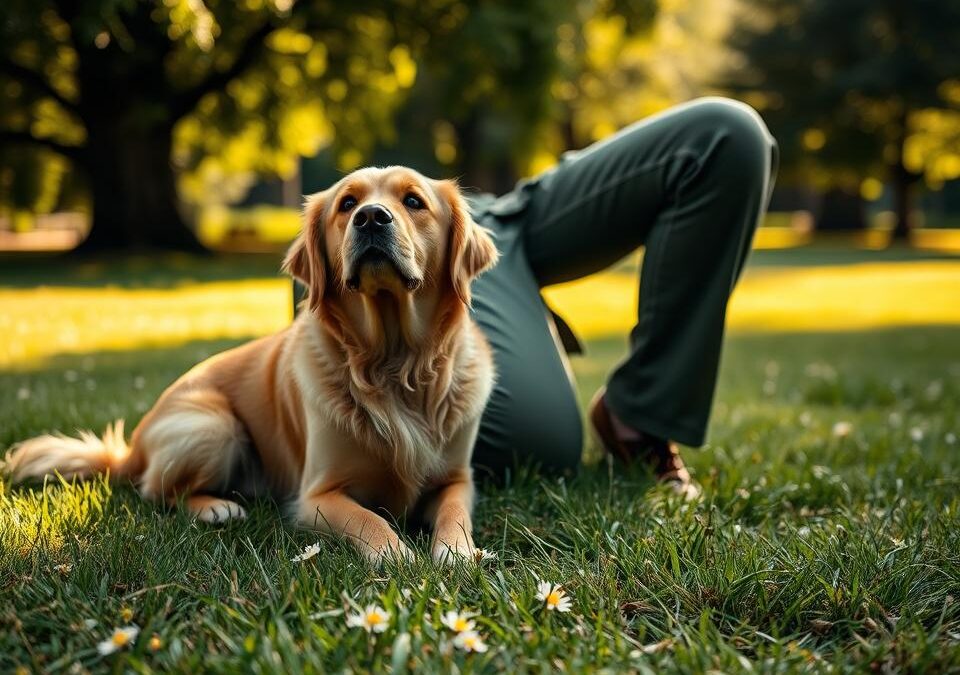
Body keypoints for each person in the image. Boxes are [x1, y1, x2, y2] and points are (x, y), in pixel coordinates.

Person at [465, 97, 779, 494]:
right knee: (530, 444)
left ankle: (640, 412)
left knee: (726, 137)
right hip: (409, 241)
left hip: (488, 215)